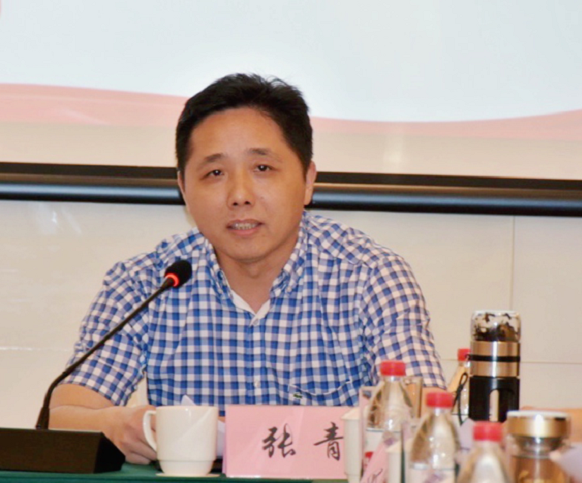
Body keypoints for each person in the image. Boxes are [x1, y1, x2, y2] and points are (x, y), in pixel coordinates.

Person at [49, 73, 445, 464]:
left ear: (307, 180)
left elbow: (424, 419)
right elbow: (65, 416)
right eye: (215, 173)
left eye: (263, 168)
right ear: (184, 189)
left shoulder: (370, 276)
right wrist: (118, 424)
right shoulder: (147, 283)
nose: (239, 195)